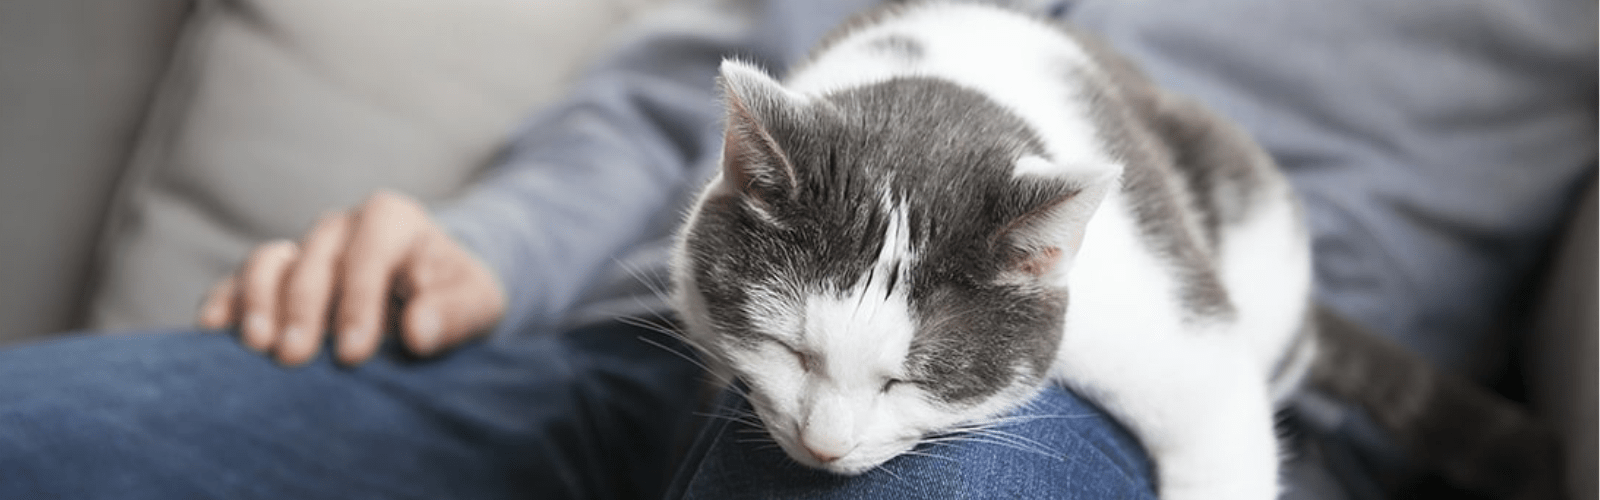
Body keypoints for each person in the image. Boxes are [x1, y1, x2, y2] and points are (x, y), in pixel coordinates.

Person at [0, 0, 1591, 498]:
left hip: (1081, 394)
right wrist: (484, 244)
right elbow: (675, 97)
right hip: (668, 331)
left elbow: (1207, 404)